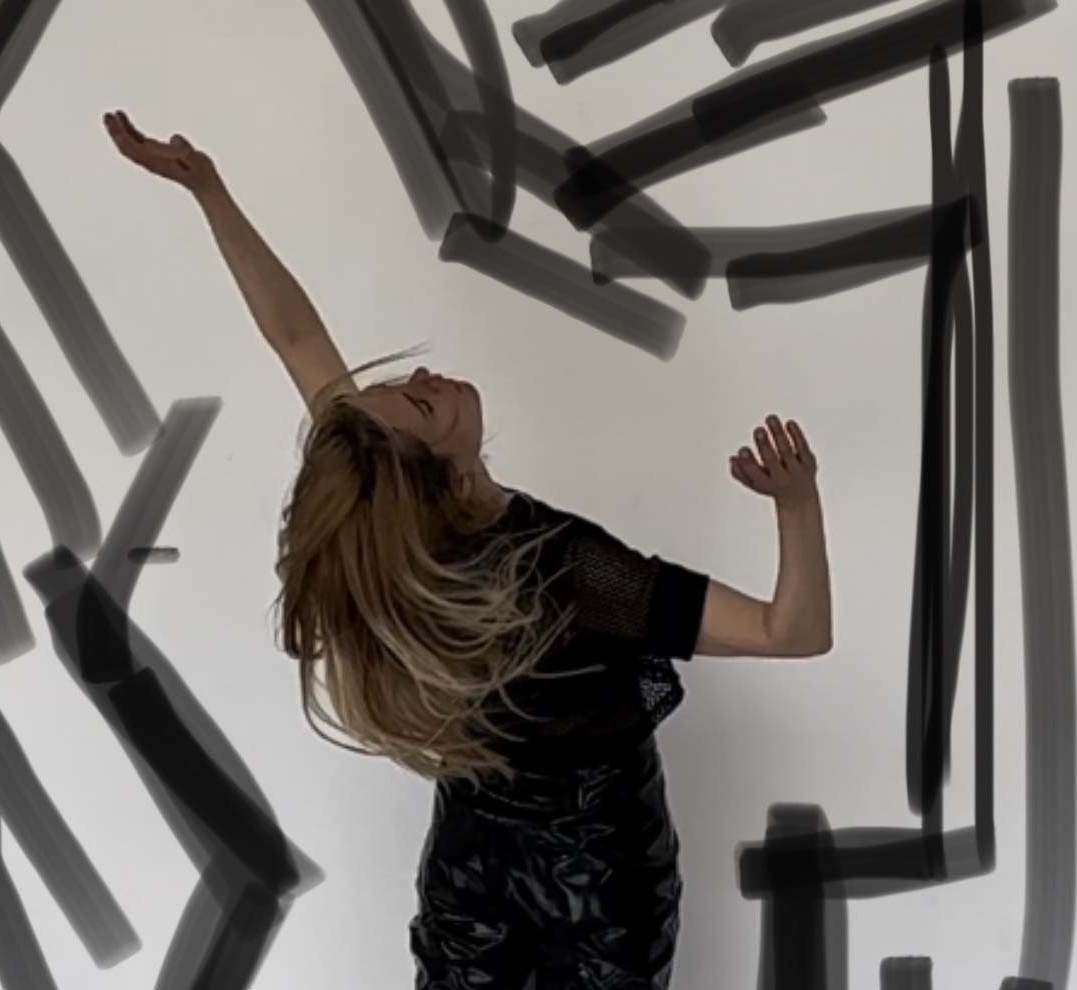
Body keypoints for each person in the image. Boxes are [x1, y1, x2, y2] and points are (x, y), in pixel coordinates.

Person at [103, 109, 833, 989]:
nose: (424, 380)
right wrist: (797, 504)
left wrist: (210, 192)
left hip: (506, 862)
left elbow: (294, 337)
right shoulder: (567, 569)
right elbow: (791, 631)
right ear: (434, 474)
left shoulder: (399, 534)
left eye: (403, 386)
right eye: (420, 405)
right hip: (590, 873)